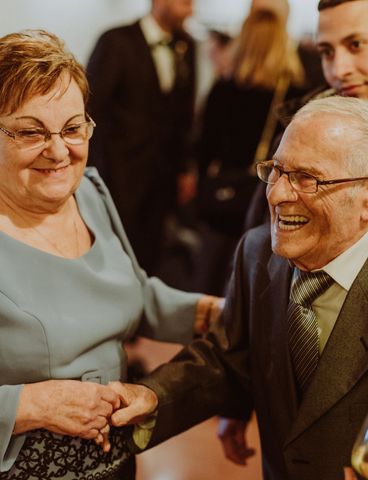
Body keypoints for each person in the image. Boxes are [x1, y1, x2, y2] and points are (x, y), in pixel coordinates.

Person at [108, 96, 368, 480]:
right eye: (276, 170)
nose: (276, 194)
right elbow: (230, 358)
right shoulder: (256, 254)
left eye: (307, 178)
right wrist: (154, 396)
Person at [0, 30, 222, 480]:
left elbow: (133, 291)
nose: (59, 151)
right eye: (30, 132)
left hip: (117, 462)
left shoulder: (91, 194)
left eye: (73, 127)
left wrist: (210, 311)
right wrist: (26, 405)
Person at [245, 0, 368, 234]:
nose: (339, 69)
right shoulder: (298, 128)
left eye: (355, 45)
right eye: (327, 52)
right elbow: (262, 237)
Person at [195, 8, 307, 295]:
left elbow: (204, 147)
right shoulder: (294, 94)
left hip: (222, 199)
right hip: (263, 199)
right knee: (252, 282)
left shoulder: (223, 88)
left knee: (209, 277)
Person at [86, 0, 196, 276]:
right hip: (118, 173)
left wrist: (184, 168)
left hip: (162, 176)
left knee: (151, 256)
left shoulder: (187, 45)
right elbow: (90, 109)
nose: (190, 8)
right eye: (184, 1)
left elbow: (184, 115)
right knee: (114, 254)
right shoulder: (116, 41)